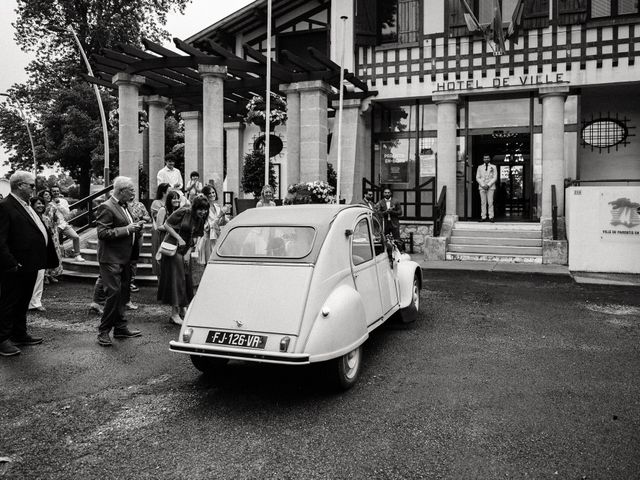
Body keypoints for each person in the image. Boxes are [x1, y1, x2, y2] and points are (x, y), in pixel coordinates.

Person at [0, 171, 59, 357]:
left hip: (30, 263)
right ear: (19, 185)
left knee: (23, 300)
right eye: (31, 185)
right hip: (15, 265)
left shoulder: (25, 206)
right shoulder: (5, 206)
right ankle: (2, 339)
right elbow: (0, 239)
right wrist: (11, 263)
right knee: (9, 302)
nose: (34, 189)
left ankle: (19, 333)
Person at [94, 176, 144, 347]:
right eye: (131, 189)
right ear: (121, 190)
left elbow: (125, 227)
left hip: (125, 257)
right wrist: (128, 229)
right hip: (111, 259)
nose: (133, 192)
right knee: (113, 295)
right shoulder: (106, 207)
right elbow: (102, 233)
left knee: (123, 294)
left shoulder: (125, 206)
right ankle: (103, 331)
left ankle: (121, 328)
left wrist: (135, 227)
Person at [157, 195, 209, 325]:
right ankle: (174, 314)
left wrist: (189, 251)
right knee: (177, 280)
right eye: (200, 209)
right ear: (195, 207)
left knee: (186, 280)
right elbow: (167, 224)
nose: (203, 212)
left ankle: (183, 309)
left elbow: (197, 236)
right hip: (173, 248)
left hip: (185, 250)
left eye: (205, 209)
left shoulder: (201, 219)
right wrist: (179, 238)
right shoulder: (184, 211)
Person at [28, 196, 51, 312]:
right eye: (38, 204)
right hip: (32, 251)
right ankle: (31, 302)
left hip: (42, 251)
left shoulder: (44, 218)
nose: (41, 205)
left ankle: (36, 302)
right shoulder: (30, 217)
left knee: (40, 276)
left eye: (42, 203)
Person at [50, 185, 85, 262]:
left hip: (63, 224)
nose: (56, 192)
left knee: (75, 237)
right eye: (54, 191)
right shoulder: (48, 201)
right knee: (52, 242)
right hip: (53, 226)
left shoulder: (63, 201)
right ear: (51, 192)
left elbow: (67, 213)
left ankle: (77, 255)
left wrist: (58, 204)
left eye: (57, 191)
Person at [197, 185, 230, 264]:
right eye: (209, 193)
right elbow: (207, 227)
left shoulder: (217, 207)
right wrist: (219, 215)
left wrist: (224, 215)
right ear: (205, 195)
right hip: (208, 239)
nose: (212, 194)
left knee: (218, 263)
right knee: (209, 263)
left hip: (217, 238)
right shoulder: (203, 209)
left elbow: (221, 222)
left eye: (213, 192)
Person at [127, 194, 151, 295]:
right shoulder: (123, 205)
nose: (132, 194)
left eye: (133, 192)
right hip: (127, 234)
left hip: (139, 234)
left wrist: (142, 217)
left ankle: (131, 282)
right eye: (130, 192)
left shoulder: (140, 205)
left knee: (134, 259)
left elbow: (148, 218)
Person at [39, 189, 63, 284]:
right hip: (44, 230)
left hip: (53, 231)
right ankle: (45, 276)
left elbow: (57, 218)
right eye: (46, 195)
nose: (48, 196)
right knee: (46, 253)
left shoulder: (52, 206)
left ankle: (52, 274)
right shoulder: (39, 206)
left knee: (55, 252)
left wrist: (56, 221)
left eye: (49, 195)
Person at [150, 183, 170, 276]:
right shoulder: (156, 203)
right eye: (169, 191)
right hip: (159, 232)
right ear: (163, 192)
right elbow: (158, 220)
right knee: (159, 255)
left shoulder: (171, 202)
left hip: (168, 232)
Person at [476, 154, 498, 222]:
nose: (486, 159)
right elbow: (477, 177)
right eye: (485, 158)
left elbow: (495, 177)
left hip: (490, 187)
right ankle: (483, 217)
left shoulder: (493, 167)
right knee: (483, 202)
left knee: (490, 202)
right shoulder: (480, 167)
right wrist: (483, 185)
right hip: (482, 187)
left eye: (487, 158)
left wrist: (488, 185)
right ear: (483, 159)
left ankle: (491, 217)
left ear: (489, 159)